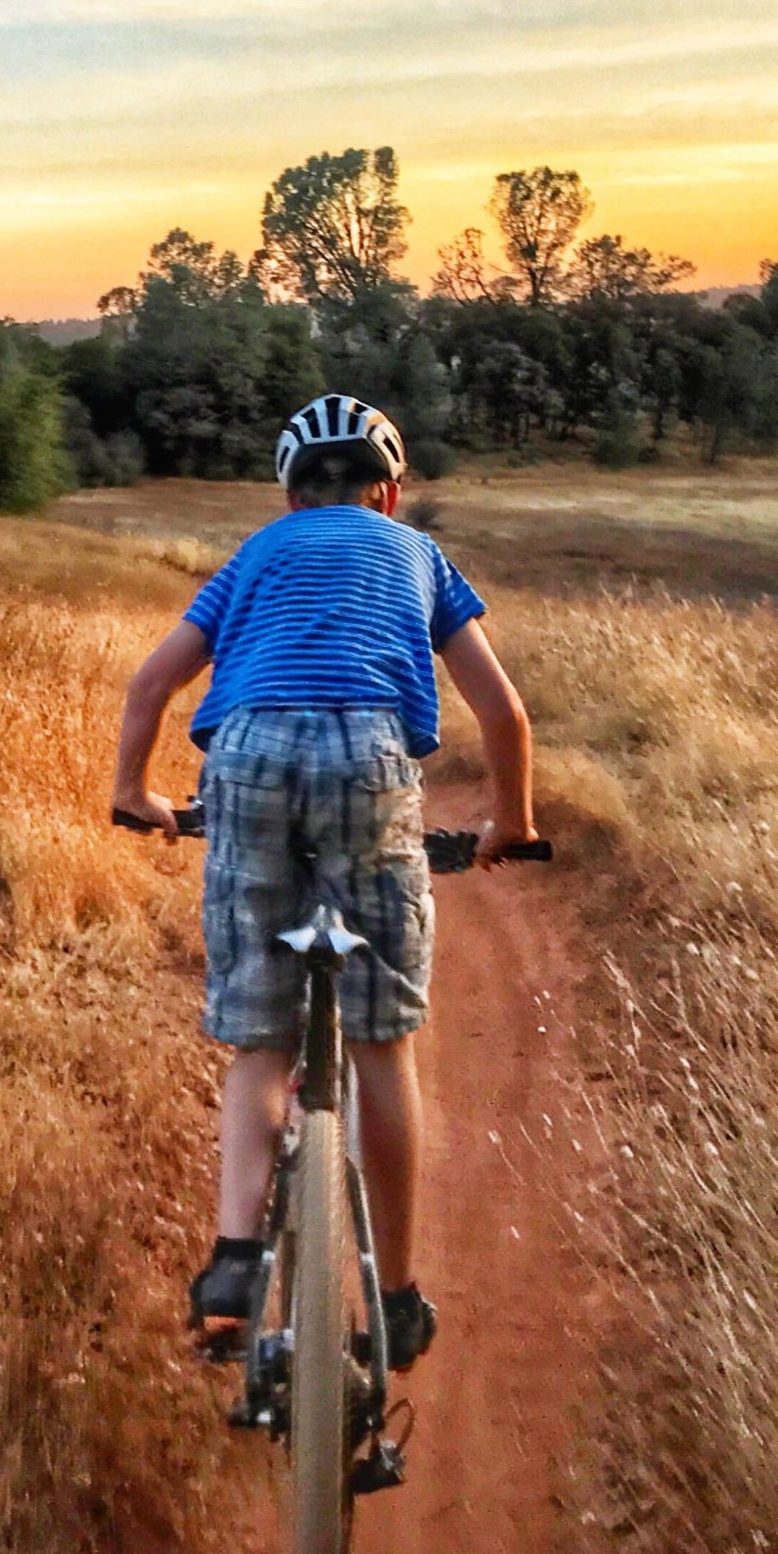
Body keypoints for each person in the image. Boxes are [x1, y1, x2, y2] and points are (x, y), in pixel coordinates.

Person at [109, 393, 540, 1372]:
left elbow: (151, 682)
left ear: (288, 492)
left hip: (245, 759)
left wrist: (135, 791)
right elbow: (503, 714)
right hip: (368, 760)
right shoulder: (418, 556)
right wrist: (510, 822)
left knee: (260, 1044)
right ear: (389, 492)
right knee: (382, 1045)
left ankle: (230, 1263)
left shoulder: (256, 553)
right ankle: (391, 1296)